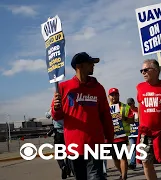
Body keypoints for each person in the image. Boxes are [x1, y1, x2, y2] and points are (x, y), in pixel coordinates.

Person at [51, 52, 114, 180]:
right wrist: (56, 108)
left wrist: (110, 140)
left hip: (95, 144)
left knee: (96, 177)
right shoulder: (63, 87)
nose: (93, 66)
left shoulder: (98, 88)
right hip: (74, 146)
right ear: (79, 66)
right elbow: (57, 117)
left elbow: (106, 116)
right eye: (90, 63)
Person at [108, 88, 134, 180]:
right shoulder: (105, 108)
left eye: (116, 94)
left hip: (121, 136)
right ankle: (121, 173)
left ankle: (124, 177)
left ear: (119, 95)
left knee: (122, 157)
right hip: (110, 137)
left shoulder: (125, 107)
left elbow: (132, 120)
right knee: (115, 158)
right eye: (112, 95)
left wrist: (124, 118)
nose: (114, 96)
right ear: (109, 97)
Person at [45, 109, 73, 179]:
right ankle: (68, 170)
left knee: (59, 154)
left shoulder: (55, 108)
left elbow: (47, 115)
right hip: (68, 132)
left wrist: (50, 109)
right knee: (68, 153)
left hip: (58, 133)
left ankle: (63, 166)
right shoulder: (67, 107)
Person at [127, 98, 139, 170]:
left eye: (131, 103)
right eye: (128, 104)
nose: (130, 105)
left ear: (134, 103)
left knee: (139, 148)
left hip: (138, 132)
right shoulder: (127, 112)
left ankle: (143, 163)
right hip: (131, 133)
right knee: (132, 148)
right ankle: (132, 163)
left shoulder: (138, 110)